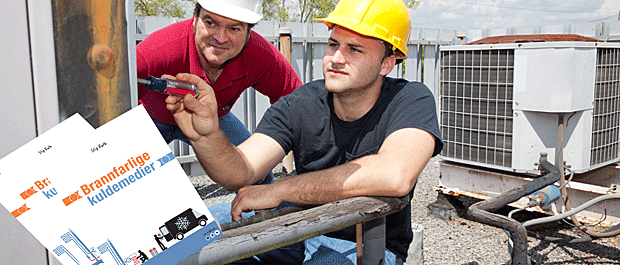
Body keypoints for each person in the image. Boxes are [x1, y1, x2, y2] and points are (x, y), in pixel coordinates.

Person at [165, 0, 443, 263]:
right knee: (182, 232)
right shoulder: (301, 103)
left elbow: (395, 176)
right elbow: (241, 170)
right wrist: (206, 136)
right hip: (297, 225)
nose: (336, 58)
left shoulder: (409, 99)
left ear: (386, 63)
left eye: (354, 49)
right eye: (333, 44)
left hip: (364, 241)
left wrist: (280, 189)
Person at [136, 0, 302, 184]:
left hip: (213, 117)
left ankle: (261, 212)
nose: (220, 38)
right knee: (117, 178)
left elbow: (298, 103)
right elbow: (112, 97)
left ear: (249, 32)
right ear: (195, 18)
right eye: (210, 23)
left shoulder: (260, 54)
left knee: (259, 180)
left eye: (234, 29)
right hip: (150, 118)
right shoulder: (158, 49)